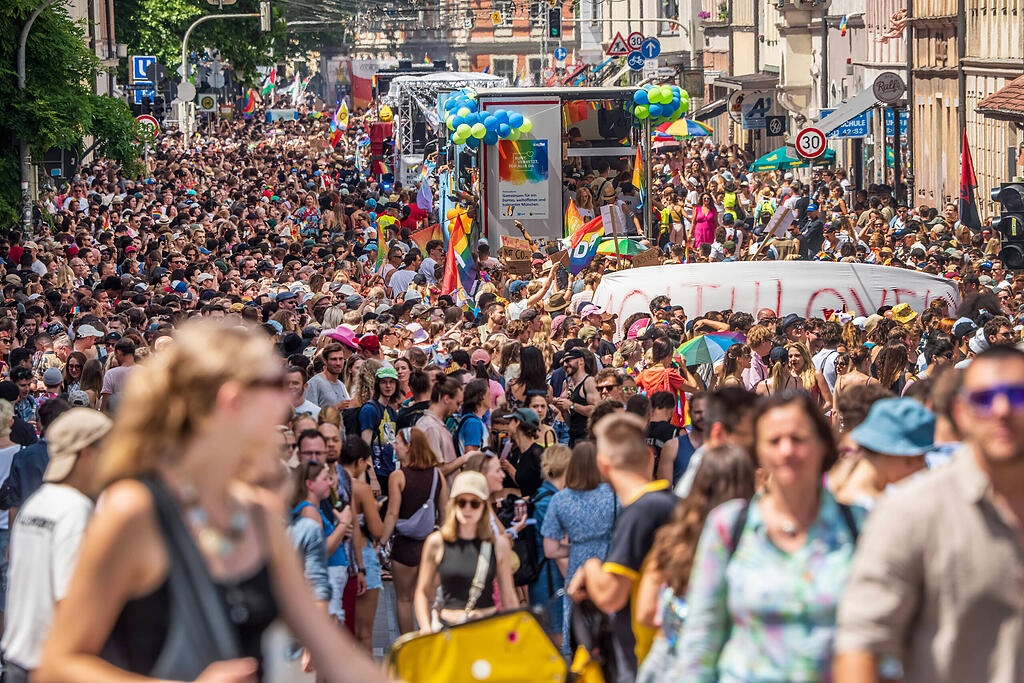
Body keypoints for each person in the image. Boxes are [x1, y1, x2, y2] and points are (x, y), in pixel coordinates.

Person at [34, 322, 386, 683]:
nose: (289, 401)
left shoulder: (258, 513)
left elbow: (335, 652)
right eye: (276, 386)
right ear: (233, 400)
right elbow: (58, 664)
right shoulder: (136, 511)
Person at [835, 346, 1024, 682]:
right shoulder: (910, 511)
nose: (1001, 409)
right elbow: (862, 646)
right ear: (960, 413)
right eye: (984, 398)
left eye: (1017, 395)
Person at [672, 392, 864, 679]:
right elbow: (701, 636)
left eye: (798, 438)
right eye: (774, 441)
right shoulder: (729, 524)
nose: (787, 450)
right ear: (758, 452)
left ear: (823, 445)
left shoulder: (859, 523)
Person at [0, 407, 110, 683]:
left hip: (18, 660)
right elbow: (70, 600)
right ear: (86, 454)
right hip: (50, 665)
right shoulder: (75, 511)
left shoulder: (36, 505)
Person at [567, 413, 677, 682]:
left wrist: (590, 568)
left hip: (643, 658)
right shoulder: (673, 502)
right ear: (651, 456)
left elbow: (610, 596)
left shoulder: (639, 513)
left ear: (603, 465)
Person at [635, 445, 756, 682]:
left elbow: (646, 612)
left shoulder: (673, 538)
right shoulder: (756, 539)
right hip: (736, 662)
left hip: (673, 660)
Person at [413, 471, 516, 633]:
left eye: (475, 503)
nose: (468, 508)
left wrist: (514, 635)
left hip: (488, 628)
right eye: (462, 502)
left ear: (483, 506)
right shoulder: (436, 542)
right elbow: (423, 592)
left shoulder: (498, 544)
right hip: (449, 629)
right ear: (453, 505)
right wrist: (425, 627)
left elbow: (508, 596)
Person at [541, 441, 618, 652]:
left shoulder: (560, 500)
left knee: (577, 625)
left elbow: (550, 549)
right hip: (608, 563)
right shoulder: (613, 494)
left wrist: (575, 548)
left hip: (578, 566)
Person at [379, 427, 447, 634]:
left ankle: (408, 646)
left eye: (398, 442)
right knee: (428, 598)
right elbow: (445, 513)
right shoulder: (437, 475)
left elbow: (392, 514)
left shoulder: (398, 476)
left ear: (409, 447)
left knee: (404, 599)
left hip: (404, 547)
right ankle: (429, 640)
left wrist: (380, 542)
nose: (394, 446)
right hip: (429, 546)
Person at [830, 398, 934, 508]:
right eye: (919, 459)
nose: (921, 467)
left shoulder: (838, 492)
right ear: (894, 453)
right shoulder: (875, 508)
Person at [335, 437, 384, 649]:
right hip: (363, 556)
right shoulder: (361, 489)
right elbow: (377, 530)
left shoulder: (334, 482)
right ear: (360, 462)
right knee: (364, 635)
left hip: (338, 555)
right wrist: (375, 509)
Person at [291, 460, 353, 623]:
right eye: (325, 479)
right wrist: (343, 524)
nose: (330, 483)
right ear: (309, 484)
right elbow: (321, 551)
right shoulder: (309, 511)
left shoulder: (313, 509)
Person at [528, 444, 571, 648]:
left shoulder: (541, 495)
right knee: (558, 645)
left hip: (541, 579)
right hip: (552, 581)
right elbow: (559, 552)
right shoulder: (553, 501)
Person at [360, 366, 400, 497]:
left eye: (391, 382)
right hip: (376, 473)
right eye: (384, 382)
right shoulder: (370, 409)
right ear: (377, 385)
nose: (388, 386)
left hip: (391, 472)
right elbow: (365, 446)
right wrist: (372, 479)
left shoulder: (392, 411)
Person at [415, 377, 465, 482]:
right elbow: (435, 471)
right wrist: (464, 459)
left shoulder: (435, 425)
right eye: (457, 403)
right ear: (446, 399)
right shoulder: (431, 427)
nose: (457, 409)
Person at [553, 347, 599, 447]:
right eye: (563, 362)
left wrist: (572, 405)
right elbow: (572, 423)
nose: (565, 365)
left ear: (581, 361)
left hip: (587, 441)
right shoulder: (569, 383)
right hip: (574, 439)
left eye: (569, 360)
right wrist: (563, 410)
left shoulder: (589, 381)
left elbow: (596, 410)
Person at [500, 407, 544, 498]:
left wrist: (530, 499)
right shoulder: (517, 453)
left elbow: (550, 486)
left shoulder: (539, 454)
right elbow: (524, 482)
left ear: (517, 423)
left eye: (509, 422)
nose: (507, 426)